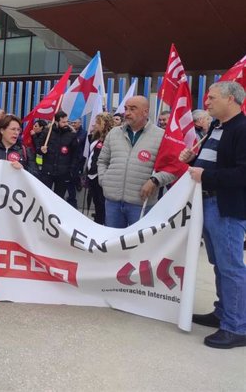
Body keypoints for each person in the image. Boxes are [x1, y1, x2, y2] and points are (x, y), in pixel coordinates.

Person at [179, 81, 246, 349]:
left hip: (225, 207)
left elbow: (242, 173)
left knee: (231, 267)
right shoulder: (218, 128)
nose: (206, 102)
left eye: (212, 98)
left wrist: (206, 175)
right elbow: (210, 163)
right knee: (220, 264)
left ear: (231, 99)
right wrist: (191, 162)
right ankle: (223, 313)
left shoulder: (242, 129)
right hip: (209, 204)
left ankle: (237, 326)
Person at [97, 96, 175, 228]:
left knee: (141, 245)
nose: (127, 113)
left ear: (145, 111)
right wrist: (104, 180)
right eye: (126, 109)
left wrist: (155, 180)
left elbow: (172, 168)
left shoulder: (161, 136)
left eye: (133, 109)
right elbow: (102, 160)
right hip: (112, 202)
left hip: (141, 204)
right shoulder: (114, 133)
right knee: (113, 244)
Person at [39, 111, 78, 199]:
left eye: (67, 121)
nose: (66, 124)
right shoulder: (47, 132)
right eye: (63, 122)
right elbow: (38, 148)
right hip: (47, 171)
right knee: (44, 196)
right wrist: (41, 149)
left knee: (59, 198)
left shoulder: (71, 134)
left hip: (63, 172)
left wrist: (71, 169)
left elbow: (75, 154)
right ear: (56, 122)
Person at [85, 113, 114, 225]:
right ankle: (98, 221)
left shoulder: (110, 137)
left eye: (97, 122)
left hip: (101, 175)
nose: (94, 124)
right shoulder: (96, 136)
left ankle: (103, 223)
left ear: (103, 124)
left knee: (102, 203)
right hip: (92, 174)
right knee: (96, 202)